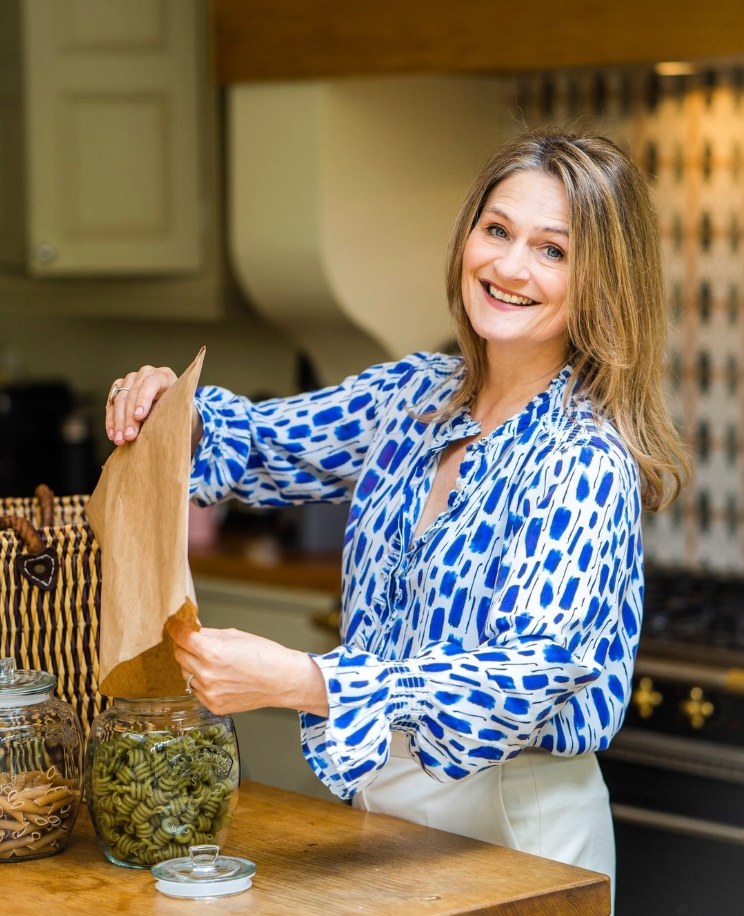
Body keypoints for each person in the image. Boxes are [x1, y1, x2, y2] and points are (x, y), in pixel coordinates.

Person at [105, 128, 688, 904]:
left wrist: (307, 681)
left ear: (605, 281)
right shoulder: (414, 398)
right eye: (497, 230)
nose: (510, 266)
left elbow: (524, 675)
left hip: (519, 828)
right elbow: (264, 443)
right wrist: (165, 405)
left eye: (554, 250)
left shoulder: (583, 459)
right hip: (384, 819)